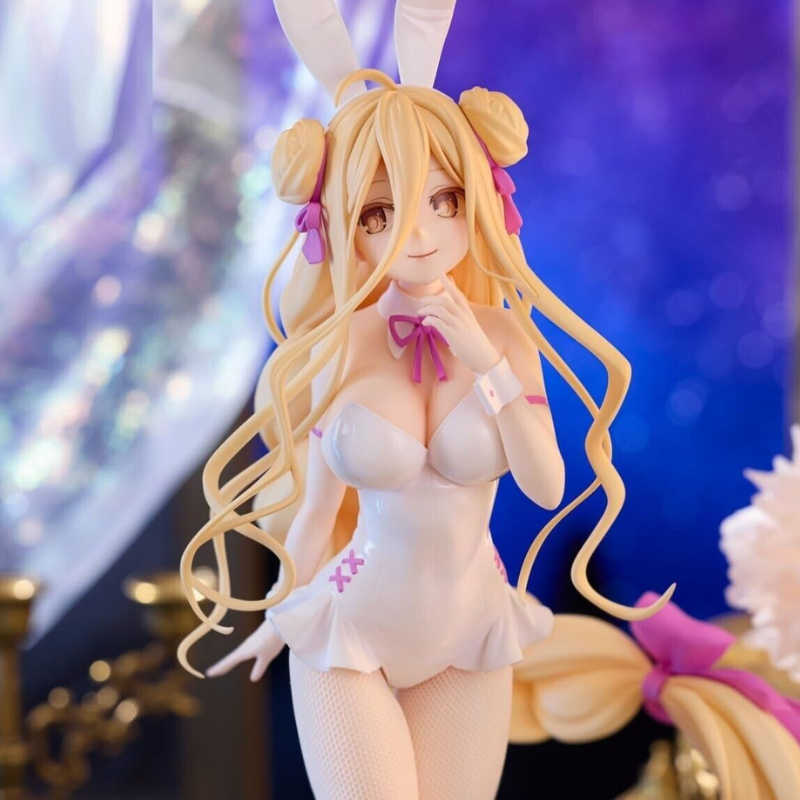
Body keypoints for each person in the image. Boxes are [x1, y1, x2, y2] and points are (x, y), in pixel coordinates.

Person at [176, 3, 674, 797]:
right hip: (349, 630)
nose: (419, 233)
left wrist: (486, 365)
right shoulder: (338, 345)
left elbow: (546, 485)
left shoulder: (502, 338)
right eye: (382, 213)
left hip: (468, 634)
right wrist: (279, 614)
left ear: (480, 198)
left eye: (443, 200)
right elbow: (315, 509)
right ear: (341, 224)